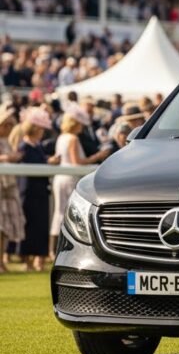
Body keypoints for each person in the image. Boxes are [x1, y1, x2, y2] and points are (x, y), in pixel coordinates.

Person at [50, 108, 110, 258]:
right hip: (69, 177)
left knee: (58, 212)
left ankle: (52, 250)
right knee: (66, 213)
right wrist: (98, 156)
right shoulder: (73, 139)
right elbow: (77, 162)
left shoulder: (62, 137)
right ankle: (59, 250)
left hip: (60, 177)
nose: (82, 127)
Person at [18, 107, 59, 271]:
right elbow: (31, 163)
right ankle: (27, 260)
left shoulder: (38, 146)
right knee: (30, 225)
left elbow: (41, 160)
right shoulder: (24, 146)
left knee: (42, 224)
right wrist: (49, 162)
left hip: (41, 190)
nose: (43, 132)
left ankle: (39, 260)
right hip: (29, 191)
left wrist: (49, 161)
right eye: (41, 128)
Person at [0, 102, 23, 272]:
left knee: (6, 227)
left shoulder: (6, 142)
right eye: (5, 124)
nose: (8, 128)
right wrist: (7, 158)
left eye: (10, 125)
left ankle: (2, 261)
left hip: (9, 188)